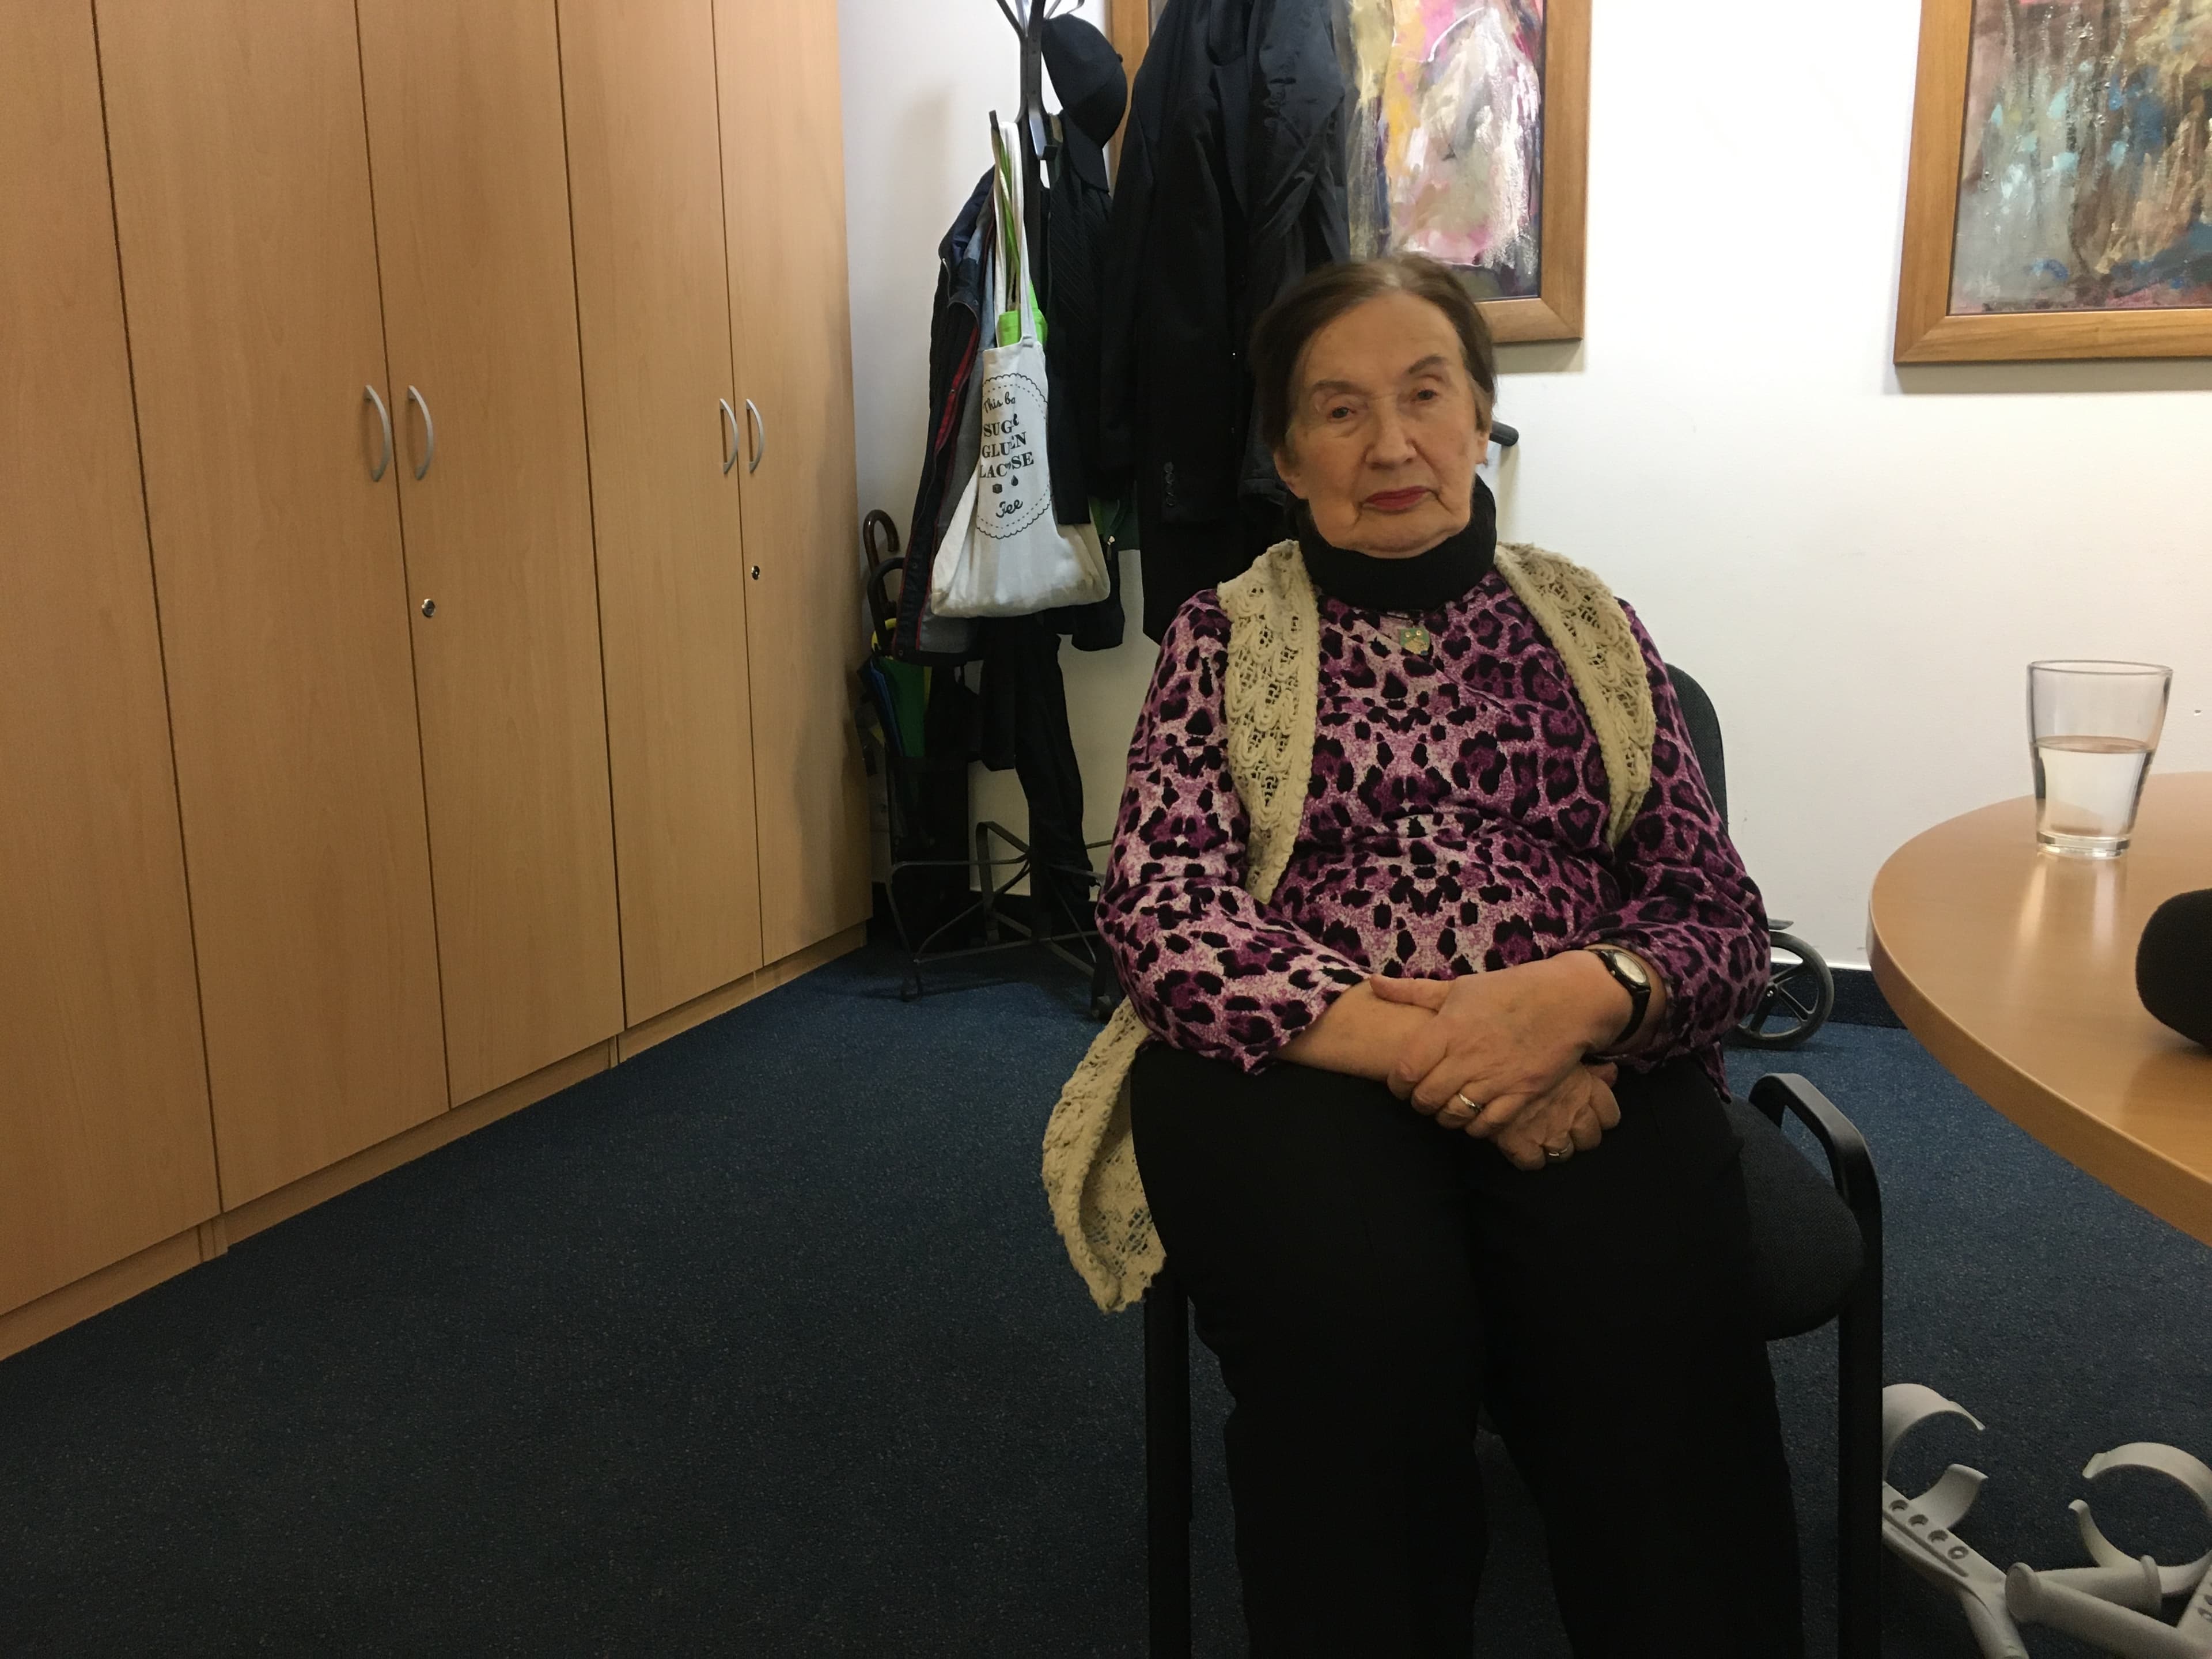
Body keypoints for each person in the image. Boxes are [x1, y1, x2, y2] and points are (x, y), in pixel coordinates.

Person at [1050, 254, 1799, 1655]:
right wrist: (1447, 1047)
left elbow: (1717, 918)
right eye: (1339, 410)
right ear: (1286, 457)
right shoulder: (1220, 638)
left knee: (1651, 1342)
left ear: (1481, 416)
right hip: (1299, 1061)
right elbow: (1162, 909)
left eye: (1425, 395)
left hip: (1588, 1059)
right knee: (1359, 1337)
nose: (1389, 444)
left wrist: (1578, 1002)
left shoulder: (1589, 623)